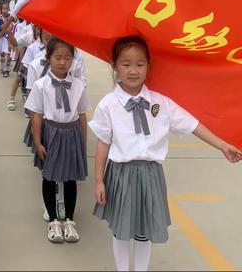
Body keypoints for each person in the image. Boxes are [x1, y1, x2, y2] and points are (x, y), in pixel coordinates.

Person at [89, 35, 242, 272]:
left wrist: (222, 145)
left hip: (151, 175)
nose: (133, 70)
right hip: (120, 174)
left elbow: (193, 125)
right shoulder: (108, 104)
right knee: (121, 229)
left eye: (140, 64)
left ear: (149, 66)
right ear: (114, 65)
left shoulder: (161, 103)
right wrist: (99, 180)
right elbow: (103, 144)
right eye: (126, 64)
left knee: (143, 231)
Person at [25, 37, 90, 244]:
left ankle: (69, 219)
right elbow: (36, 114)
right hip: (51, 133)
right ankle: (53, 220)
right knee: (49, 177)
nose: (63, 62)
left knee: (70, 178)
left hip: (71, 133)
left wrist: (83, 141)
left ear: (73, 60)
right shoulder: (41, 85)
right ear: (48, 58)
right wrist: (38, 141)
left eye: (67, 58)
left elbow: (81, 115)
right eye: (58, 57)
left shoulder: (78, 85)